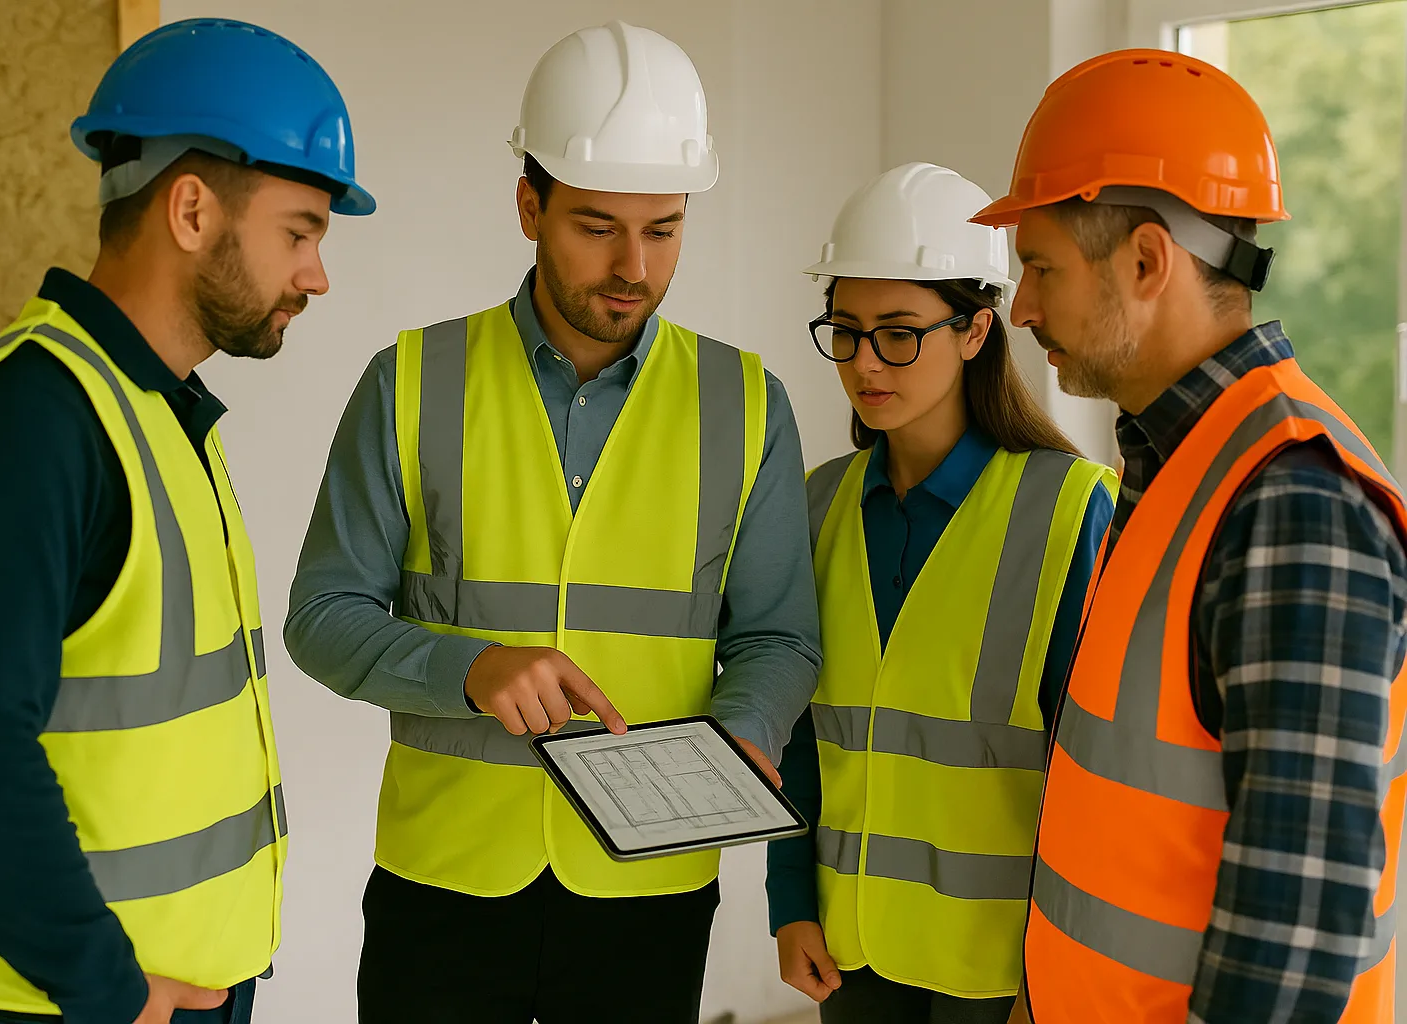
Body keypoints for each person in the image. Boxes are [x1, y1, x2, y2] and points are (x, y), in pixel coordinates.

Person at [284, 20, 820, 1024]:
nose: (634, 266)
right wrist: (468, 668)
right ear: (530, 206)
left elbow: (779, 636)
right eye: (597, 226)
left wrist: (746, 731)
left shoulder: (748, 405)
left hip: (648, 887)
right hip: (444, 878)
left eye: (664, 229)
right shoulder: (411, 381)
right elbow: (322, 616)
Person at [0, 19, 374, 1024]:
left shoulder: (158, 413)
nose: (316, 275)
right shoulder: (23, 424)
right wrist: (106, 987)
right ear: (192, 209)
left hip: (164, 994)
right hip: (59, 1006)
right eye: (299, 233)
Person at [970, 49, 1407, 1024]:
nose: (1022, 307)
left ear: (1146, 261)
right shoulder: (1174, 463)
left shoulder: (1293, 503)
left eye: (1040, 267)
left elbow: (1292, 940)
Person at [767, 163, 1115, 1024]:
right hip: (853, 952)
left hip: (1003, 965)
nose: (864, 363)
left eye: (898, 333)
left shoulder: (1070, 508)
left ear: (975, 331)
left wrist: (1066, 967)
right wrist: (791, 902)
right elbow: (799, 735)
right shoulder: (816, 506)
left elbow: (1094, 773)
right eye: (845, 332)